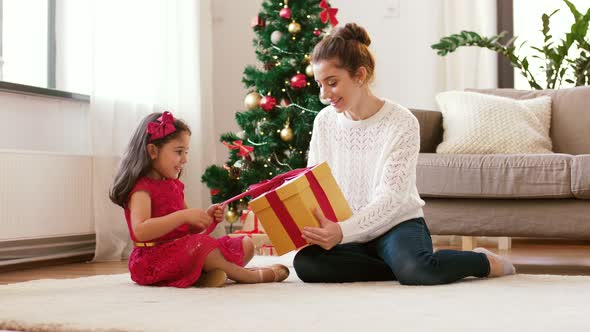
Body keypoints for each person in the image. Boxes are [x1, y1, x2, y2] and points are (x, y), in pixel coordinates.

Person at [293, 23, 515, 285]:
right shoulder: (325, 122)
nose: (324, 94)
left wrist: (341, 232)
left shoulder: (401, 121)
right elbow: (315, 183)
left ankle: (482, 261)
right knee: (307, 263)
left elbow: (392, 199)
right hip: (347, 231)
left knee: (419, 270)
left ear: (360, 75)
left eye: (332, 83)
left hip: (395, 225)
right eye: (320, 84)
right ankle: (397, 267)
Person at [109, 111, 289, 288]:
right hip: (152, 261)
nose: (185, 159)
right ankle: (249, 276)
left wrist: (205, 219)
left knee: (245, 244)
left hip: (182, 251)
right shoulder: (141, 189)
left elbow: (189, 229)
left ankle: (202, 274)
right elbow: (140, 231)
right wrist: (184, 216)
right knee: (202, 247)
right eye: (179, 152)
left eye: (186, 152)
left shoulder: (174, 186)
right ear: (153, 151)